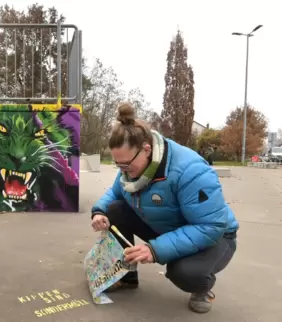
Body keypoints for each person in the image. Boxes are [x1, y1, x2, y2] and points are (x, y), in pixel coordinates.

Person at [91, 103, 238, 314]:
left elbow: (210, 226)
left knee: (184, 272)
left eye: (125, 165)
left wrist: (155, 249)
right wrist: (99, 212)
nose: (122, 171)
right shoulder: (131, 164)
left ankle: (202, 288)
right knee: (114, 209)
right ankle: (127, 276)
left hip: (216, 235)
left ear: (146, 149)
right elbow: (115, 193)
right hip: (170, 226)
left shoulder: (191, 170)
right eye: (118, 165)